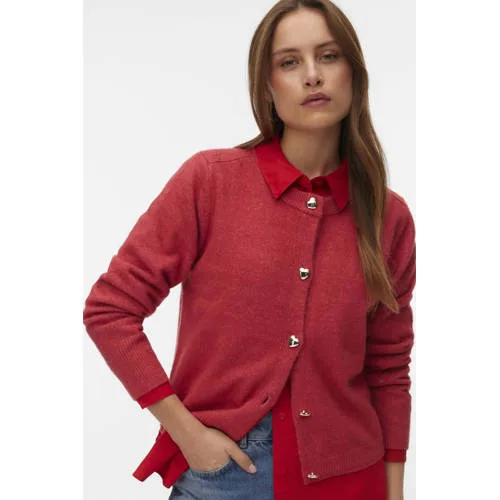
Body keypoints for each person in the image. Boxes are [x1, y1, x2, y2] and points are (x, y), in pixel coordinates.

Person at [83, 1, 415, 499]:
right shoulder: (211, 182)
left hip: (352, 478)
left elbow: (388, 368)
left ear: (354, 74)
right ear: (266, 86)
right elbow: (109, 310)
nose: (312, 75)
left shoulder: (388, 216)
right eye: (289, 61)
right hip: (226, 474)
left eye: (328, 56)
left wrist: (395, 492)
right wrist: (186, 433)